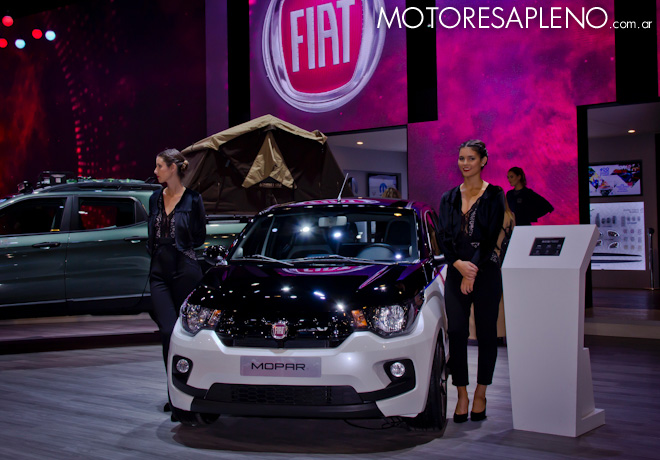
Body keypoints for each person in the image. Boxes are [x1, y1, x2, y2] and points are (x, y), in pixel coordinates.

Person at [437, 139, 505, 423]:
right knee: (456, 333)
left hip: (485, 272)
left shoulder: (495, 195)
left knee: (488, 334)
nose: (465, 163)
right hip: (456, 271)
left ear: (483, 161)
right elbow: (443, 237)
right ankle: (462, 394)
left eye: (471, 158)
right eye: (461, 158)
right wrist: (459, 266)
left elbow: (490, 239)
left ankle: (481, 393)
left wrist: (472, 270)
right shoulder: (448, 197)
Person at [147, 149, 206, 376]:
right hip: (158, 271)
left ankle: (183, 383)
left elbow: (199, 236)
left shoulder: (193, 199)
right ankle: (172, 383)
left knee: (186, 332)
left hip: (185, 269)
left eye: (159, 166)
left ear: (172, 168)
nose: (155, 171)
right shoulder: (154, 198)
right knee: (167, 329)